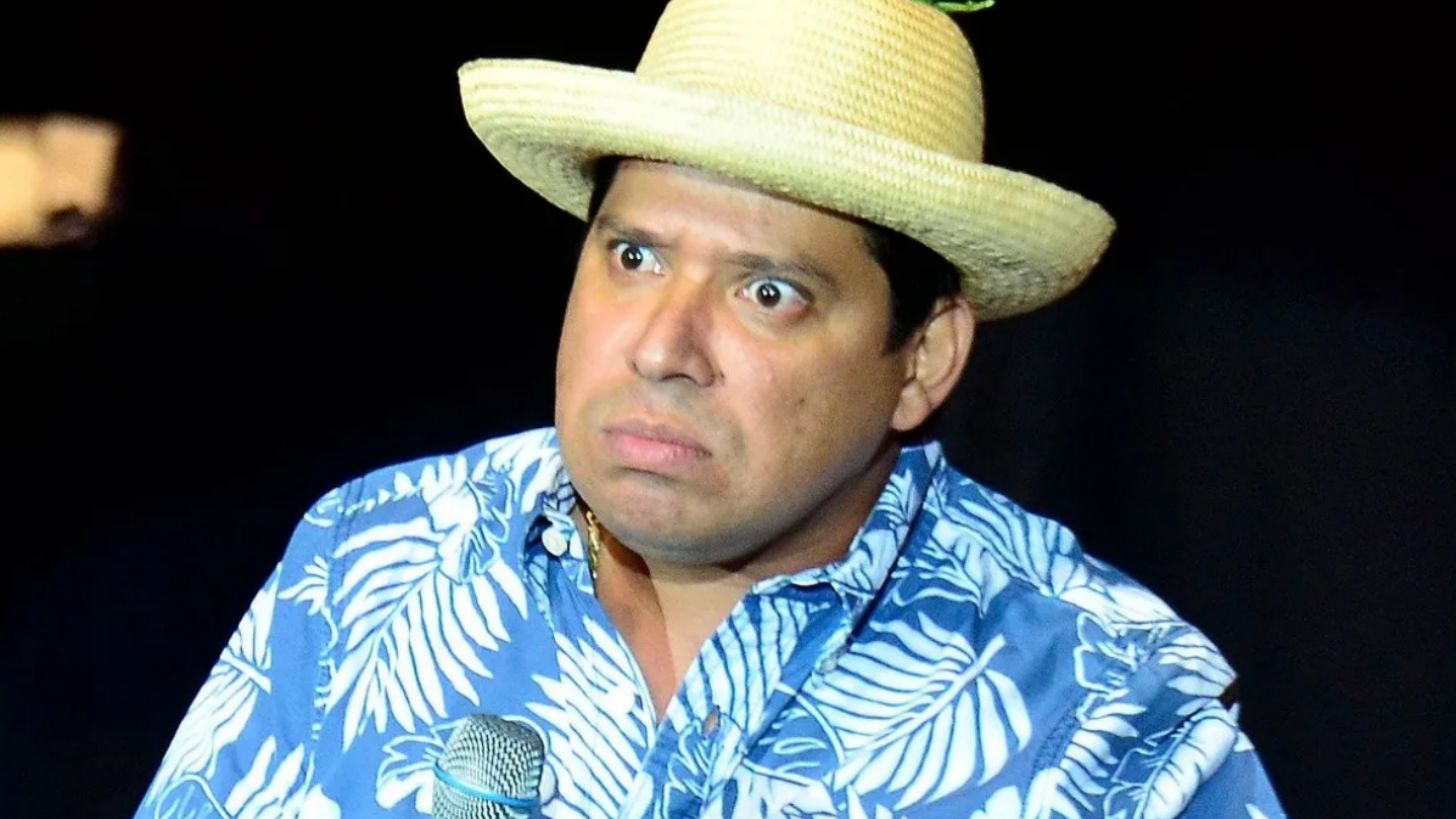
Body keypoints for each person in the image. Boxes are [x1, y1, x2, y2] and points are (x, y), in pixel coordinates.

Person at [133, 0, 1286, 815]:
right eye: (633, 256)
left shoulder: (1108, 712)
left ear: (923, 358)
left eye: (767, 292)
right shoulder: (370, 558)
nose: (661, 346)